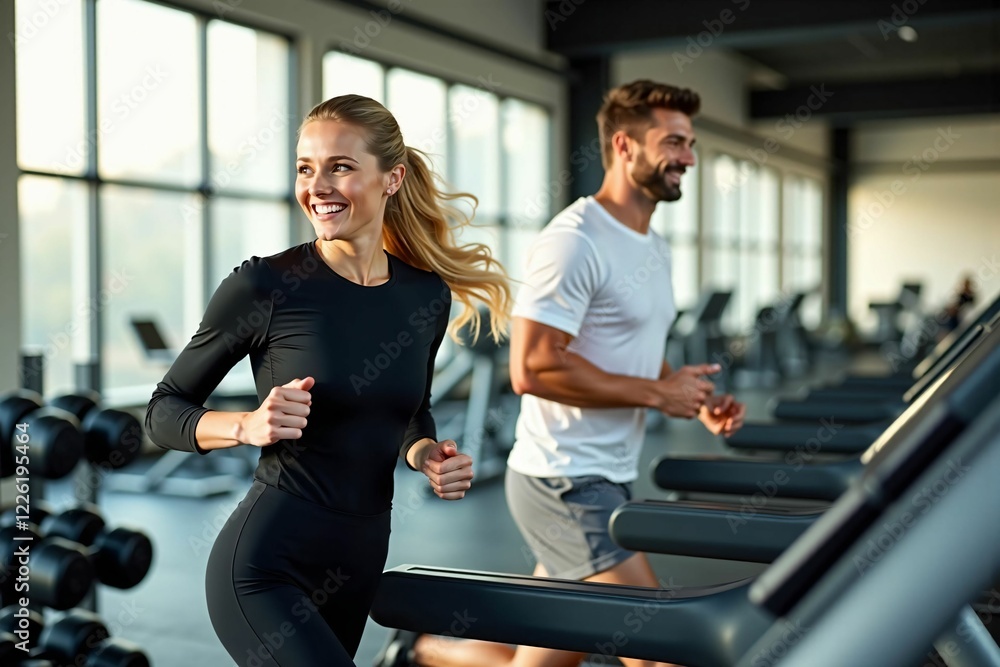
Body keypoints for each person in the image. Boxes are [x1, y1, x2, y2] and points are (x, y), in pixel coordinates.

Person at [379, 80, 747, 667]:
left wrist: (690, 396)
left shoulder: (653, 244)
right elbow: (531, 367)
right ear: (624, 146)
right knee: (659, 651)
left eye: (691, 143)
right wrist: (657, 392)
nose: (689, 157)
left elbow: (634, 347)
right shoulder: (575, 240)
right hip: (566, 480)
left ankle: (426, 653)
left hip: (606, 475)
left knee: (556, 648)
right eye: (674, 142)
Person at [145, 94, 511, 667]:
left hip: (359, 559)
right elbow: (163, 410)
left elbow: (411, 412)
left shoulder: (426, 296)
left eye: (340, 166)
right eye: (305, 168)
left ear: (392, 179)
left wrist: (425, 454)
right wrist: (246, 425)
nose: (317, 185)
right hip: (265, 564)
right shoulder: (265, 286)